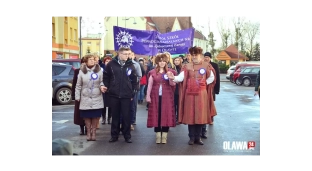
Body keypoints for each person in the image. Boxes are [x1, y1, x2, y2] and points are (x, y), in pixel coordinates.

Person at [167, 46, 217, 145]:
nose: (194, 57)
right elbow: (181, 78)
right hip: (189, 94)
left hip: (201, 94)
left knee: (200, 115)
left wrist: (204, 83)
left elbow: (212, 77)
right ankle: (191, 137)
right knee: (190, 115)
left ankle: (198, 138)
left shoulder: (206, 66)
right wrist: (173, 77)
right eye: (192, 55)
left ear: (200, 55)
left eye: (196, 55)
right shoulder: (187, 66)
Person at [103, 47, 138, 143]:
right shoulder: (111, 64)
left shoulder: (130, 65)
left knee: (126, 116)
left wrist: (133, 91)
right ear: (120, 54)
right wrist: (107, 87)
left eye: (128, 54)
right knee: (115, 116)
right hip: (114, 94)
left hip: (126, 95)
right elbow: (106, 77)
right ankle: (114, 135)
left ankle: (127, 136)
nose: (127, 56)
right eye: (125, 54)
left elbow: (134, 79)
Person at [146, 53, 177, 144]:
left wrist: (171, 78)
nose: (162, 63)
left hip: (167, 96)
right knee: (157, 115)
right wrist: (148, 96)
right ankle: (158, 135)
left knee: (166, 115)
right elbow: (149, 85)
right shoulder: (152, 72)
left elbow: (173, 84)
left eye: (164, 61)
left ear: (166, 62)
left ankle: (164, 135)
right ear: (157, 62)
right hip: (155, 96)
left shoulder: (171, 72)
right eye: (160, 61)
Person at [75, 54, 106, 141]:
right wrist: (77, 96)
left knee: (95, 116)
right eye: (90, 60)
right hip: (85, 97)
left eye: (93, 59)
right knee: (87, 116)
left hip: (96, 97)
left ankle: (94, 133)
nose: (93, 61)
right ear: (85, 62)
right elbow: (78, 85)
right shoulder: (81, 71)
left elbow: (102, 82)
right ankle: (88, 133)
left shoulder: (99, 70)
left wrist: (102, 87)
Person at [201, 52, 221, 138]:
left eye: (208, 57)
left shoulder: (214, 65)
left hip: (211, 88)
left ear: (210, 58)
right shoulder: (201, 65)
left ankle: (211, 118)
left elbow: (217, 78)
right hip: (202, 89)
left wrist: (217, 89)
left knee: (210, 104)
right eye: (205, 57)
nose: (206, 58)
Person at [72, 57, 86, 135]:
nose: (84, 63)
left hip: (87, 94)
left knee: (87, 112)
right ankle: (81, 128)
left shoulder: (91, 71)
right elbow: (74, 83)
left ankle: (88, 128)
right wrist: (73, 94)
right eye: (83, 62)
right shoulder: (77, 71)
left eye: (85, 62)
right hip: (79, 94)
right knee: (79, 112)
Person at [101, 57, 112, 124]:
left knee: (111, 105)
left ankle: (109, 118)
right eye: (106, 61)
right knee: (103, 105)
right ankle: (103, 118)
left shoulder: (112, 69)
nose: (107, 62)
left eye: (109, 61)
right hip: (103, 88)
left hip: (111, 89)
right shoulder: (102, 69)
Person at [173, 56, 183, 124]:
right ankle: (173, 118)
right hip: (173, 88)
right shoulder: (172, 68)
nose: (176, 61)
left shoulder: (182, 69)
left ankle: (179, 118)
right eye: (175, 60)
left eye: (178, 60)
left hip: (180, 88)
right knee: (173, 104)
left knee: (179, 104)